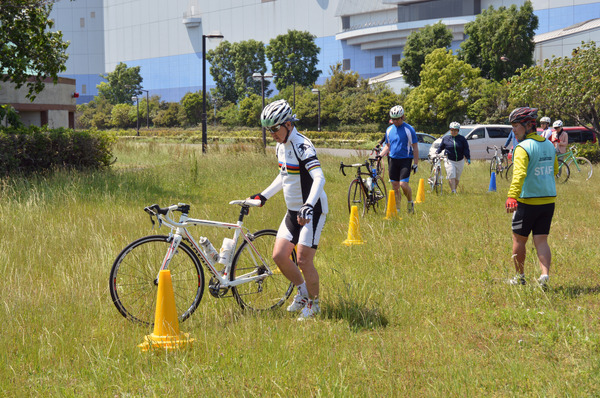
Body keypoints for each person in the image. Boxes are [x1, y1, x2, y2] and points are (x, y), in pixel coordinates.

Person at [249, 99, 328, 320]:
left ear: (289, 124)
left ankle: (315, 304)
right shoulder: (280, 146)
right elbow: (284, 176)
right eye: (268, 129)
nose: (272, 133)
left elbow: (319, 177)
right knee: (279, 256)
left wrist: (308, 205)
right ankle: (303, 293)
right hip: (293, 210)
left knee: (303, 259)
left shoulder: (302, 145)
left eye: (275, 128)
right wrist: (264, 195)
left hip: (311, 209)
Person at [505, 107, 558, 289]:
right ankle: (544, 275)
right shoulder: (549, 145)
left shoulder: (522, 148)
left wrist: (512, 196)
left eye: (516, 126)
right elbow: (555, 170)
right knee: (541, 240)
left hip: (527, 202)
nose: (514, 130)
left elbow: (518, 175)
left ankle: (519, 277)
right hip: (548, 201)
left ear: (528, 125)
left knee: (519, 240)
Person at [379, 105, 419, 214]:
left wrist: (415, 163)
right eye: (393, 119)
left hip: (405, 160)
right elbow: (388, 146)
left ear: (403, 117)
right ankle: (398, 209)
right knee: (395, 186)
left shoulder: (409, 129)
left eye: (398, 119)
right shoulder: (389, 130)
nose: (395, 121)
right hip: (393, 160)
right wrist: (380, 155)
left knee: (403, 185)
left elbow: (415, 147)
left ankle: (410, 201)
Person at [435, 122, 470, 193]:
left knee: (457, 177)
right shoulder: (446, 138)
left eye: (455, 130)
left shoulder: (462, 139)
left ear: (458, 131)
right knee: (451, 175)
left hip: (460, 160)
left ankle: (454, 189)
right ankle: (453, 191)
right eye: (452, 130)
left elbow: (466, 149)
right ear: (450, 130)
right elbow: (441, 147)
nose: (453, 132)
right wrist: (436, 152)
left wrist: (468, 158)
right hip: (449, 160)